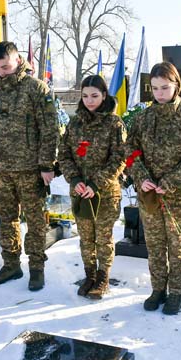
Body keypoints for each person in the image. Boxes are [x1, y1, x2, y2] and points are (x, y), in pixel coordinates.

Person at [125, 62, 181, 315]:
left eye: (165, 87)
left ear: (176, 86)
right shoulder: (143, 118)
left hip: (179, 196)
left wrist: (171, 181)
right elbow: (130, 151)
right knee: (155, 246)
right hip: (150, 195)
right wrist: (141, 177)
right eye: (155, 88)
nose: (160, 93)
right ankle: (158, 289)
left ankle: (176, 292)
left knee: (178, 247)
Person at [0, 41, 59, 291]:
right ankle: (11, 264)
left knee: (35, 222)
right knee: (7, 219)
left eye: (5, 66)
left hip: (30, 169)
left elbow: (50, 129)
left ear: (18, 60)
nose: (1, 71)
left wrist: (47, 165)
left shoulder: (36, 88)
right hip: (2, 168)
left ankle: (37, 268)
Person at [59, 75, 126, 299]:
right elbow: (64, 154)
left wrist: (96, 183)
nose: (89, 100)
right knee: (86, 237)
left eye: (95, 96)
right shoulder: (75, 123)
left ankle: (103, 277)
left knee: (103, 238)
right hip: (80, 191)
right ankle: (89, 275)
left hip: (105, 192)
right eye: (85, 96)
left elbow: (119, 159)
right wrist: (75, 179)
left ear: (104, 95)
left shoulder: (114, 124)